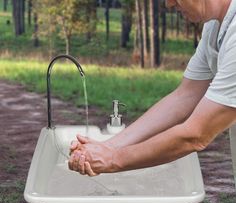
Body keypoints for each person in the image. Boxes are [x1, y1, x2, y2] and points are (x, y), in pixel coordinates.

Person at [68, 0, 236, 176]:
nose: (169, 4)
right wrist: (108, 146)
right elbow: (185, 96)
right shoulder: (214, 26)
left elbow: (196, 135)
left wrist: (112, 159)